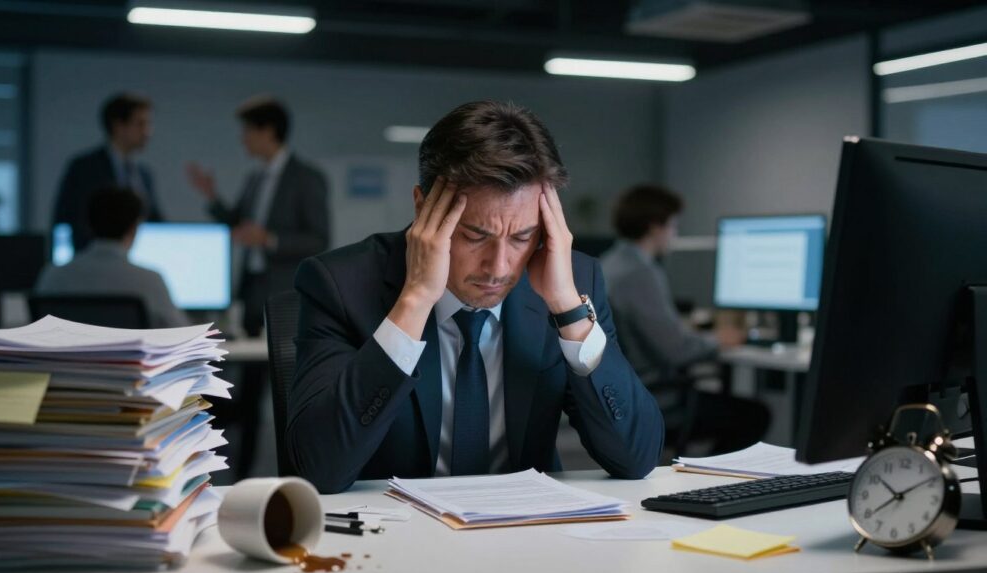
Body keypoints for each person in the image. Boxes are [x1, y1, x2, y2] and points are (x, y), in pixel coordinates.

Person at [287, 100, 664, 494]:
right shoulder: (340, 284)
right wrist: (414, 300)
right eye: (474, 236)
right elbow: (318, 469)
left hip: (527, 522)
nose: (498, 267)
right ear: (423, 208)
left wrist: (568, 310)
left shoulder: (573, 281)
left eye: (522, 237)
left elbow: (636, 458)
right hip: (395, 524)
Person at [600, 184, 768, 454]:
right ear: (655, 227)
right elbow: (677, 350)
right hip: (656, 399)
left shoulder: (610, 263)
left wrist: (685, 330)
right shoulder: (639, 272)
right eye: (673, 226)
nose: (674, 234)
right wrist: (718, 340)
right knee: (755, 415)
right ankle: (712, 475)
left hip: (623, 393)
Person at [186, 96, 329, 337]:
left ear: (268, 131)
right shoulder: (255, 178)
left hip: (285, 289)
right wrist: (212, 196)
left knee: (281, 356)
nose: (243, 139)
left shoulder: (306, 178)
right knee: (248, 356)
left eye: (247, 131)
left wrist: (269, 239)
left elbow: (318, 240)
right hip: (251, 287)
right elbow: (239, 224)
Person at [37, 186, 188, 329]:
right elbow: (180, 333)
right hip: (129, 350)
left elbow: (37, 331)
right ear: (134, 228)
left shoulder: (53, 276)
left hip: (71, 349)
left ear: (88, 224)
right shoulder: (149, 281)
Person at [53, 93, 163, 252]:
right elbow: (70, 219)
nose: (148, 132)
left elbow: (155, 221)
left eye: (148, 124)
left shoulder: (144, 174)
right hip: (93, 258)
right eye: (140, 124)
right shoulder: (85, 168)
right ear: (118, 126)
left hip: (135, 257)